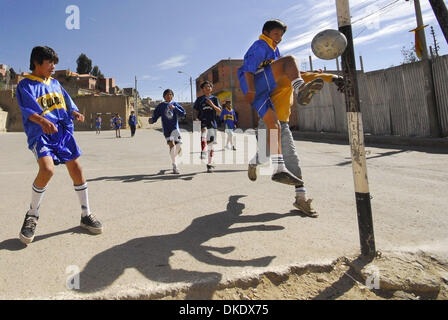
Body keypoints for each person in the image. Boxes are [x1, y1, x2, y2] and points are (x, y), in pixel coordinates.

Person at [16, 46, 103, 244]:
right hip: (42, 133)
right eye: (50, 62)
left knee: (77, 169)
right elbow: (27, 110)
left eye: (54, 62)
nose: (53, 66)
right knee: (47, 170)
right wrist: (43, 121)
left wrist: (75, 112)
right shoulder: (26, 85)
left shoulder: (55, 83)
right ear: (37, 63)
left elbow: (68, 103)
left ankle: (85, 214)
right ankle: (32, 215)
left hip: (62, 133)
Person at [238, 19, 326, 186]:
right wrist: (250, 90)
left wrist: (312, 73)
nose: (279, 37)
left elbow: (287, 70)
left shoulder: (275, 50)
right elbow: (248, 69)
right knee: (289, 60)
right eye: (276, 34)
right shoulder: (260, 46)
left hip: (264, 92)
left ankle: (279, 168)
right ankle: (300, 89)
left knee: (274, 126)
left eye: (281, 35)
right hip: (255, 84)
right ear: (266, 33)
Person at [148, 89, 186, 174]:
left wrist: (175, 108)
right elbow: (155, 115)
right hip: (167, 129)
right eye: (167, 95)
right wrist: (152, 120)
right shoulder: (161, 106)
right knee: (172, 146)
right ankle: (175, 165)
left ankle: (176, 155)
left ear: (172, 96)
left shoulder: (175, 104)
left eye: (170, 94)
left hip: (175, 129)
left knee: (178, 145)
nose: (169, 96)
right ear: (164, 96)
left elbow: (183, 113)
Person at [193, 81, 222, 173]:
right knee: (204, 131)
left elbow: (219, 110)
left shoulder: (215, 99)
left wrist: (212, 104)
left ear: (211, 88)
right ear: (202, 89)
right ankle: (203, 151)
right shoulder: (199, 99)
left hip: (212, 122)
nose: (207, 88)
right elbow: (196, 111)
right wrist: (196, 118)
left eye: (209, 86)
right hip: (203, 120)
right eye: (205, 87)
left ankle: (209, 164)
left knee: (211, 145)